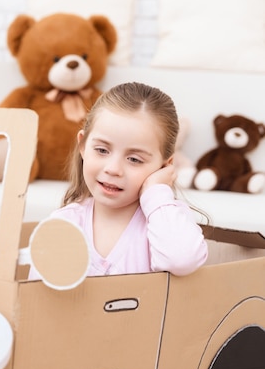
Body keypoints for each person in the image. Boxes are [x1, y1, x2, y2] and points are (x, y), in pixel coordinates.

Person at [27, 82, 208, 279]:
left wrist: (156, 192)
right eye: (102, 150)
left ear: (165, 166)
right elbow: (38, 301)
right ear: (83, 146)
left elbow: (182, 260)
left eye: (134, 159)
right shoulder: (64, 224)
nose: (113, 169)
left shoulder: (167, 220)